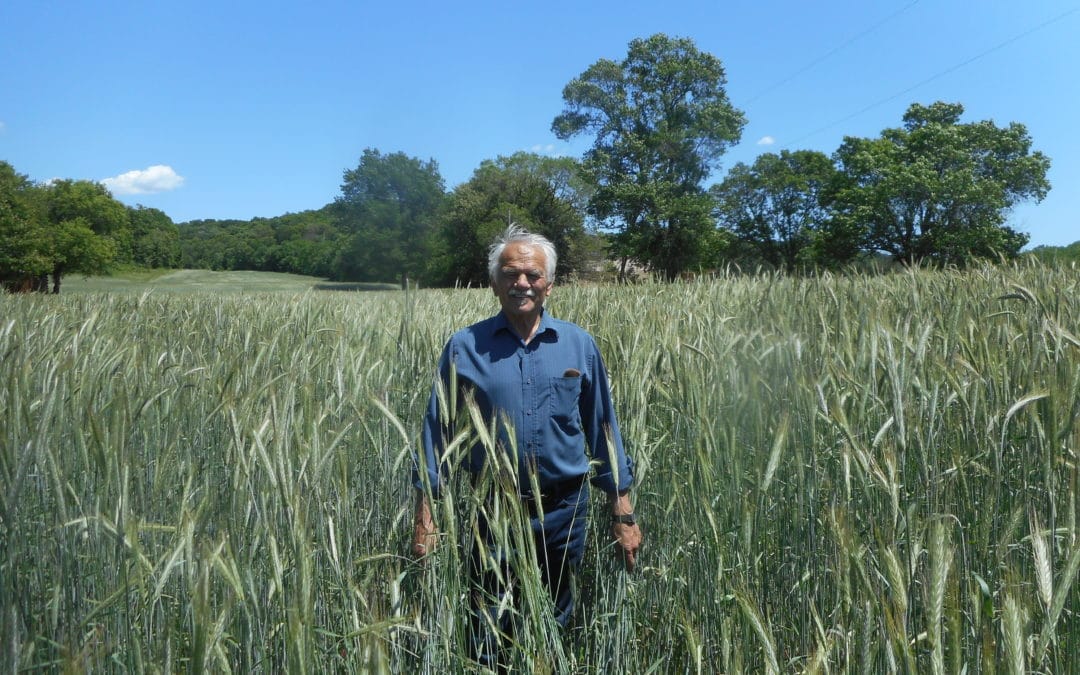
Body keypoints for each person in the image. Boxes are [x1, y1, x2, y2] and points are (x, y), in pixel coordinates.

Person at [411, 224, 642, 663]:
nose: (522, 283)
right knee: (489, 624)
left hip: (563, 513)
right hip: (491, 509)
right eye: (510, 273)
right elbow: (436, 431)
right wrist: (426, 516)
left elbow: (604, 433)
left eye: (532, 275)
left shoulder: (579, 345)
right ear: (494, 282)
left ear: (549, 284)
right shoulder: (465, 346)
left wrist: (623, 513)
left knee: (555, 623)